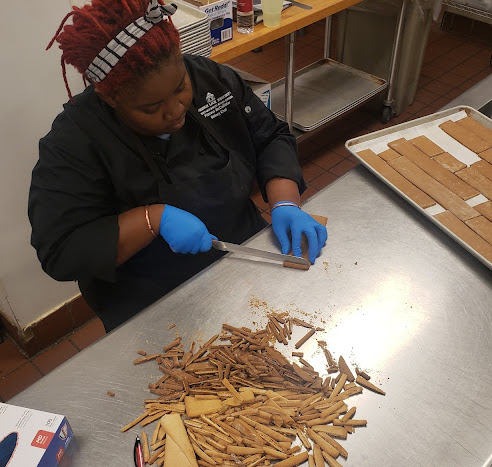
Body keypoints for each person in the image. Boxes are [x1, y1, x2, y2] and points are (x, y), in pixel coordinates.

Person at [28, 0, 327, 332]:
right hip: (152, 301)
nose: (175, 111)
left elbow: (270, 135)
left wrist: (285, 201)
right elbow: (61, 249)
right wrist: (152, 219)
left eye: (180, 88)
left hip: (243, 254)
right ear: (111, 98)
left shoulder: (209, 78)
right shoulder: (75, 142)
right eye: (151, 107)